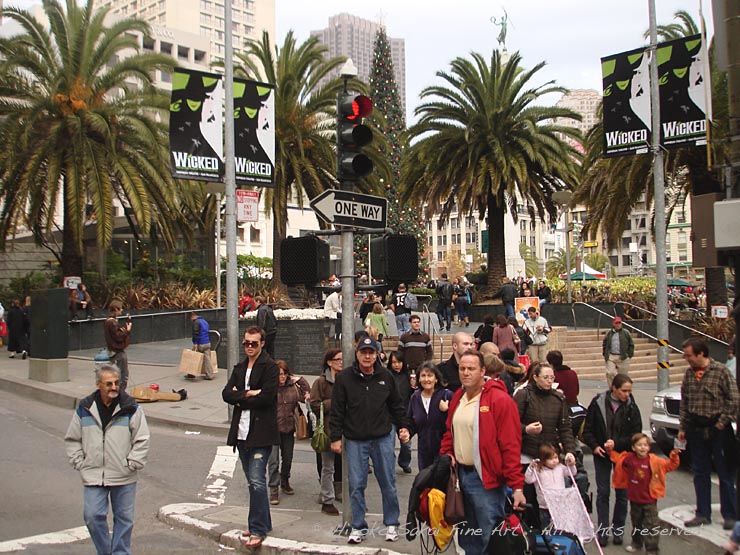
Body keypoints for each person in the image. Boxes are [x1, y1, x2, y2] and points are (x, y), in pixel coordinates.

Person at [439, 349, 525, 554]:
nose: (466, 373)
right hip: (460, 477)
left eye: (471, 369)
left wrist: (517, 487)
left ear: (483, 371)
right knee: (468, 538)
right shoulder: (458, 396)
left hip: (487, 481)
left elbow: (511, 446)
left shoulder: (500, 400)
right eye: (462, 368)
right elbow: (450, 432)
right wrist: (448, 453)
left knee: (490, 538)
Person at [329, 336, 411, 544]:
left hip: (383, 437)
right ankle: (358, 526)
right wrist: (335, 437)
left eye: (371, 352)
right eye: (363, 352)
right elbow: (337, 410)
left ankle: (391, 523)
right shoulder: (345, 378)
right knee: (356, 484)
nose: (367, 356)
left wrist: (403, 427)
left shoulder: (386, 377)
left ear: (377, 355)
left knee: (388, 482)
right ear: (357, 354)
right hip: (355, 439)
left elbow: (396, 405)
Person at [64, 364, 150, 555]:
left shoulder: (130, 407)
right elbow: (72, 438)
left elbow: (142, 437)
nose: (113, 387)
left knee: (124, 519)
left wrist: (132, 463)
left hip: (123, 473)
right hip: (93, 473)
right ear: (98, 385)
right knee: (92, 516)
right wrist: (80, 462)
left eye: (116, 383)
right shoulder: (85, 408)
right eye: (108, 383)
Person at [222, 326, 280, 550]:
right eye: (246, 343)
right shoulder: (239, 367)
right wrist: (247, 393)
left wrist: (240, 397)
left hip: (261, 433)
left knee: (257, 481)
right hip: (241, 433)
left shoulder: (270, 367)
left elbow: (266, 398)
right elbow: (226, 394)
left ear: (262, 343)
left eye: (254, 343)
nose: (249, 347)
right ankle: (261, 522)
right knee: (252, 483)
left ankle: (257, 529)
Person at [677, 337, 739, 529]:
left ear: (701, 353)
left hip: (718, 428)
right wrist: (683, 427)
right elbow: (685, 402)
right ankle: (703, 513)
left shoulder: (720, 371)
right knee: (700, 472)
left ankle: (730, 514)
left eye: (689, 355)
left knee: (724, 472)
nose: (686, 359)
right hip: (696, 428)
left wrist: (721, 423)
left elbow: (734, 399)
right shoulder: (689, 374)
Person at [582, 374, 642, 546]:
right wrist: (594, 446)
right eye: (624, 391)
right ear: (614, 388)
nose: (627, 395)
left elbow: (636, 434)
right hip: (601, 454)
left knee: (622, 493)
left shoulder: (631, 407)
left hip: (622, 455)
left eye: (629, 391)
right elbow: (587, 430)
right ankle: (603, 531)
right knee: (603, 492)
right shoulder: (598, 403)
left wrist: (618, 443)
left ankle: (618, 530)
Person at [515, 362, 577, 527]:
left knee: (552, 499)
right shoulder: (523, 395)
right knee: (531, 500)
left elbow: (565, 427)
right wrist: (526, 429)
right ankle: (532, 532)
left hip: (550, 455)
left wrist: (570, 450)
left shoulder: (558, 398)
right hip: (528, 454)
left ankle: (552, 534)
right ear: (535, 378)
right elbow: (510, 424)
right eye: (545, 377)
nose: (550, 381)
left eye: (552, 377)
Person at [608, 433, 680, 555]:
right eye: (639, 445)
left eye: (645, 445)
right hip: (634, 499)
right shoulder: (629, 459)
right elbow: (617, 458)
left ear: (649, 447)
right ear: (633, 447)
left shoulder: (655, 461)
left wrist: (674, 456)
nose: (642, 447)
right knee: (636, 523)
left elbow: (670, 465)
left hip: (650, 500)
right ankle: (636, 543)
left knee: (652, 525)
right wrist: (609, 450)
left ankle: (652, 550)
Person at [268, 360, 310, 505]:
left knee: (288, 458)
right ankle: (274, 488)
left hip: (288, 428)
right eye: (279, 374)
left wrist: (299, 379)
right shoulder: (270, 388)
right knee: (273, 461)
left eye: (284, 374)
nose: (282, 377)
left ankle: (285, 480)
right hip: (272, 429)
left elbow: (307, 395)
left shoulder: (292, 387)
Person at [310, 348, 343, 516]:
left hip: (346, 430)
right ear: (329, 362)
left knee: (348, 466)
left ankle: (342, 492)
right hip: (328, 430)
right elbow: (315, 404)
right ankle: (327, 499)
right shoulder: (320, 383)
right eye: (338, 359)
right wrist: (334, 402)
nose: (341, 362)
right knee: (327, 466)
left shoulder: (346, 379)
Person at [525, 442, 578, 529]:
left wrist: (571, 465)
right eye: (550, 459)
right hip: (545, 505)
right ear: (543, 460)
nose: (554, 461)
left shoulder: (560, 467)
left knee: (561, 525)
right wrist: (531, 468)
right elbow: (528, 480)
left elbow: (572, 472)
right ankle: (547, 539)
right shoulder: (539, 470)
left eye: (556, 458)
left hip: (559, 503)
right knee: (546, 526)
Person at [387, 351, 414, 473]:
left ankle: (404, 462)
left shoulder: (408, 377)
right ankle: (389, 466)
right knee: (389, 445)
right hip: (390, 417)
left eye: (399, 362)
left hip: (405, 416)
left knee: (406, 445)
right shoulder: (387, 376)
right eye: (394, 362)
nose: (396, 365)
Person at [104, 302, 132, 391]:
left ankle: (118, 393)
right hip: (117, 351)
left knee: (119, 373)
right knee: (123, 374)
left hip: (113, 351)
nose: (121, 310)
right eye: (120, 308)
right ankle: (121, 394)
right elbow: (118, 337)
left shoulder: (109, 321)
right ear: (116, 309)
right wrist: (127, 330)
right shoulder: (112, 322)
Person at [602, 317, 634, 386]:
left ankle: (621, 388)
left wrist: (629, 355)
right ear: (613, 324)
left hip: (623, 356)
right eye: (616, 323)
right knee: (610, 373)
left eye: (619, 323)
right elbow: (605, 343)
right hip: (611, 356)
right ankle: (612, 388)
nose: (618, 325)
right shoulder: (609, 333)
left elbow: (631, 344)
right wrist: (605, 353)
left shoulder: (626, 333)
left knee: (623, 376)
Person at [188, 311, 214, 380]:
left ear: (193, 316)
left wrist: (195, 343)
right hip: (207, 342)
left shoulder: (196, 322)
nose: (191, 319)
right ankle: (210, 375)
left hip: (200, 343)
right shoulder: (205, 322)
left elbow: (196, 333)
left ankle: (191, 373)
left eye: (191, 317)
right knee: (207, 359)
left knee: (193, 357)